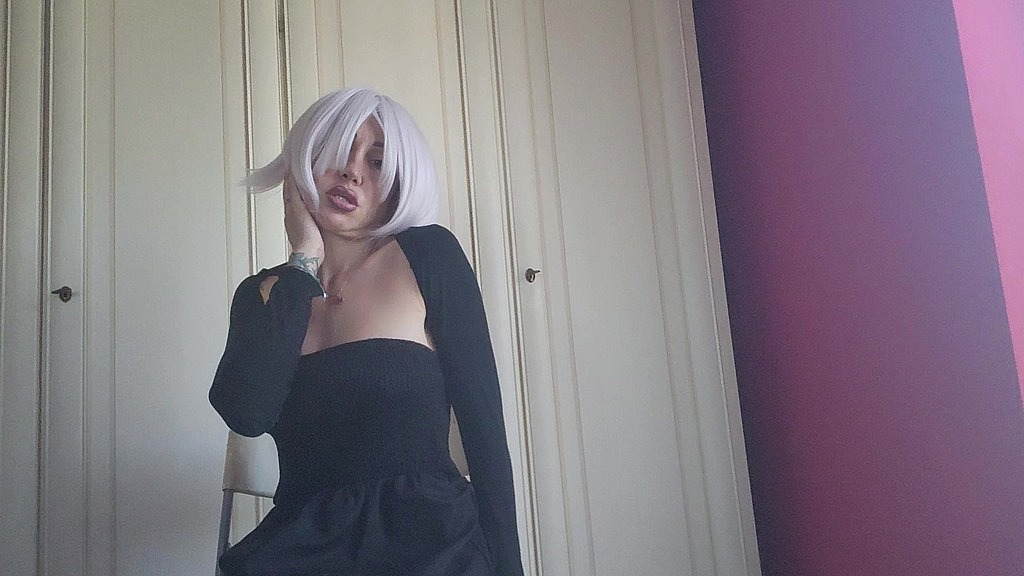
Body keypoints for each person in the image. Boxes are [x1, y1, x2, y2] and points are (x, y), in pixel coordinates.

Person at [210, 87, 524, 576]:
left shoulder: (429, 255)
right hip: (303, 546)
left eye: (377, 162)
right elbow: (247, 413)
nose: (352, 172)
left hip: (431, 544)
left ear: (399, 182)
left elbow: (485, 432)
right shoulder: (266, 294)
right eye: (337, 152)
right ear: (302, 163)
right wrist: (303, 258)